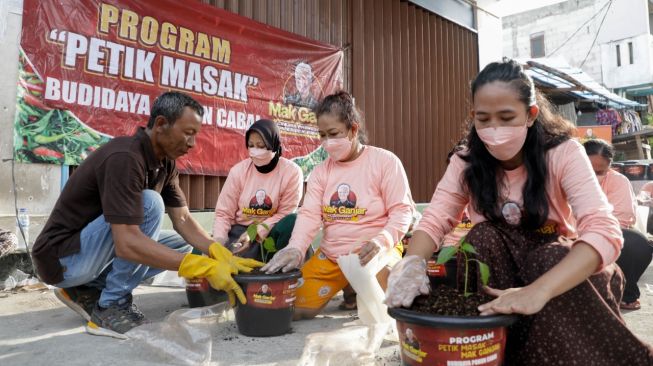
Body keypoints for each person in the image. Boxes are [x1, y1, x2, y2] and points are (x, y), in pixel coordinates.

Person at [385, 60, 653, 365]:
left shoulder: (563, 152)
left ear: (530, 114)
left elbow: (603, 228)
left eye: (506, 117)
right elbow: (435, 219)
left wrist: (537, 292)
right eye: (484, 119)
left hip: (560, 270)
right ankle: (498, 344)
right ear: (474, 118)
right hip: (500, 266)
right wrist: (411, 264)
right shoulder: (466, 161)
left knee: (547, 258)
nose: (495, 129)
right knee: (481, 237)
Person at [32, 92, 262, 337]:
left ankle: (88, 289)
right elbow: (127, 244)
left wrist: (216, 252)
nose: (192, 144)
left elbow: (183, 219)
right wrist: (199, 267)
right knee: (150, 203)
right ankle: (110, 306)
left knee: (185, 244)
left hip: (88, 254)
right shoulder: (125, 157)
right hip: (62, 260)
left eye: (195, 134)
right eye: (188, 133)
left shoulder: (165, 163)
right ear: (161, 124)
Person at [261, 91, 415, 320]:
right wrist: (295, 248)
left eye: (333, 134)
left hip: (374, 253)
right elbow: (310, 214)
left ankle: (355, 289)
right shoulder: (321, 172)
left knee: (393, 306)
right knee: (289, 308)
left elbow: (402, 211)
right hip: (331, 256)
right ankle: (350, 287)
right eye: (322, 135)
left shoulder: (385, 162)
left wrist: (381, 241)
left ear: (353, 130)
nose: (327, 143)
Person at [212, 119, 303, 259]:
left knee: (293, 221)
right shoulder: (239, 171)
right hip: (239, 233)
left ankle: (276, 264)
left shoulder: (291, 172)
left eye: (261, 146)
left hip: (271, 232)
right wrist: (219, 241)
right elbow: (224, 214)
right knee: (202, 250)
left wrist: (254, 233)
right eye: (251, 145)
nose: (255, 151)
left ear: (274, 145)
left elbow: (284, 214)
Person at [583, 139, 652, 311]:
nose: (593, 176)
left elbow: (623, 217)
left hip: (607, 233)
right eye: (588, 170)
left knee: (637, 243)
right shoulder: (563, 177)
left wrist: (593, 229)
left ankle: (626, 292)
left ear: (609, 166)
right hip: (572, 234)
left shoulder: (618, 181)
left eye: (600, 171)